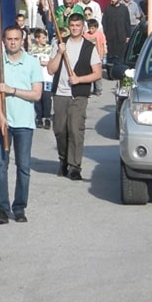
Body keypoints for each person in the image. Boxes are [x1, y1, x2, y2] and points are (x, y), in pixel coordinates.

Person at [0, 25, 44, 224]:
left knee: (24, 166)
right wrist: (1, 115)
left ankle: (19, 207)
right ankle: (2, 208)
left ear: (22, 40)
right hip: (1, 121)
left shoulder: (32, 63)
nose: (12, 42)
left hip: (24, 122)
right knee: (1, 165)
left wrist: (12, 90)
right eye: (9, 39)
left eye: (16, 39)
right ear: (4, 41)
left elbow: (36, 94)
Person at [48, 13, 102, 182]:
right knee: (59, 130)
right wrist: (59, 53)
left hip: (79, 95)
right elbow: (51, 69)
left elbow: (97, 74)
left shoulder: (89, 47)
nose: (75, 28)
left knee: (75, 129)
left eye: (78, 25)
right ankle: (63, 159)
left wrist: (79, 79)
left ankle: (75, 166)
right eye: (72, 25)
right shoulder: (60, 44)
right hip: (60, 94)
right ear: (69, 26)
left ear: (83, 27)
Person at [103, 0, 132, 68]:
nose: (113, 0)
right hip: (110, 37)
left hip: (121, 37)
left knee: (120, 58)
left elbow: (127, 23)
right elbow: (104, 22)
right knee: (111, 57)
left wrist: (128, 36)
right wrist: (105, 34)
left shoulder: (124, 9)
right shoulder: (107, 9)